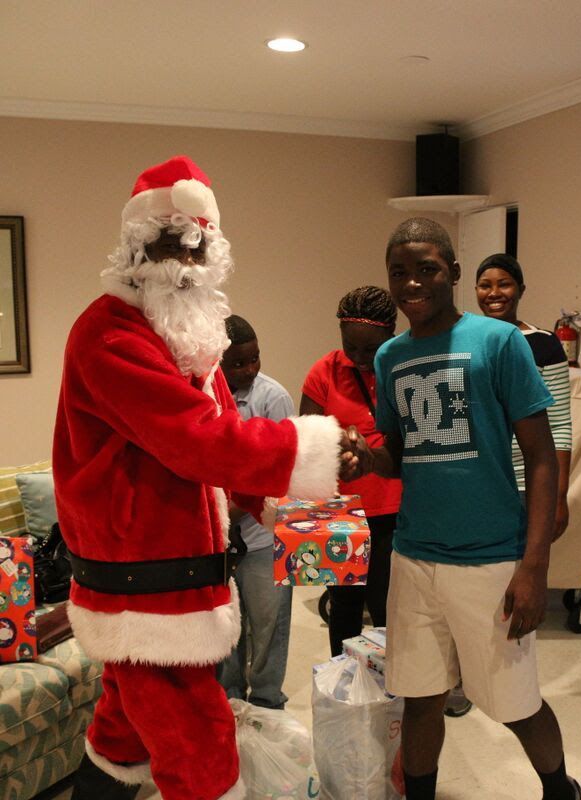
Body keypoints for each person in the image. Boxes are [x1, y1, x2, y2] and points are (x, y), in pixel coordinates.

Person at [53, 155, 349, 800]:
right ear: (135, 249)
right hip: (143, 580)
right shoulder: (109, 334)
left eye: (196, 246)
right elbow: (196, 439)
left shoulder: (188, 334)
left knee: (123, 733)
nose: (184, 263)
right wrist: (312, 443)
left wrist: (264, 499)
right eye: (168, 244)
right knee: (200, 748)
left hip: (171, 572)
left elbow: (220, 437)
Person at [348, 218, 581, 800]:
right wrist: (367, 459)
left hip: (491, 559)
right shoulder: (390, 356)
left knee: (515, 704)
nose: (412, 284)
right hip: (415, 556)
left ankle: (561, 790)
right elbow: (400, 452)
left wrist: (534, 567)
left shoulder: (498, 342)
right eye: (399, 272)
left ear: (453, 273)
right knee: (420, 698)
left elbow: (542, 456)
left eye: (426, 269)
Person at [300, 286, 402, 656]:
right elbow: (308, 438)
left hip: (394, 509)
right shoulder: (324, 371)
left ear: (390, 334)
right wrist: (338, 447)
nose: (359, 358)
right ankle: (343, 685)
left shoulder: (403, 367)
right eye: (351, 347)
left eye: (370, 349)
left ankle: (393, 687)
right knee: (343, 608)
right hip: (339, 509)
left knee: (388, 610)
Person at [217, 314, 294, 710]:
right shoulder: (204, 399)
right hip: (217, 539)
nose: (249, 369)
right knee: (226, 625)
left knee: (269, 626)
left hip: (264, 537)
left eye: (254, 359)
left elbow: (278, 472)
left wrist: (233, 512)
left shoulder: (273, 398)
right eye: (238, 363)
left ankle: (266, 701)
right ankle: (230, 700)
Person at [474, 252, 572, 538]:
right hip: (479, 483)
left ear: (521, 289)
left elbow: (559, 424)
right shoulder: (467, 341)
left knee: (526, 563)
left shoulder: (544, 343)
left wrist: (558, 495)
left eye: (504, 284)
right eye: (485, 285)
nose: (494, 293)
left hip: (527, 484)